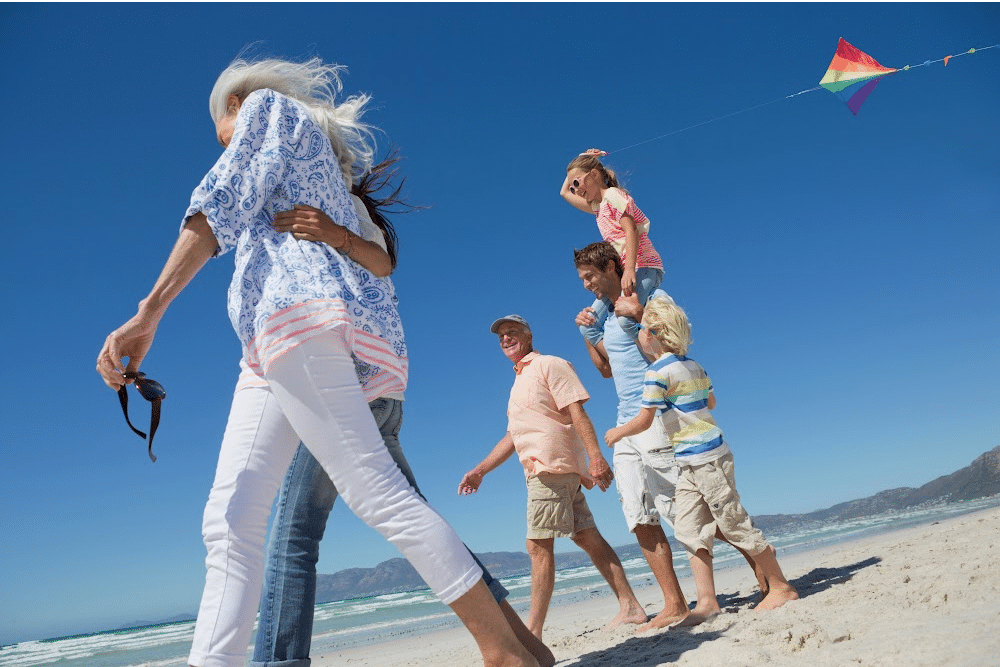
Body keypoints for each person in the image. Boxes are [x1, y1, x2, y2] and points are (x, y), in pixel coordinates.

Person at [96, 56, 536, 667]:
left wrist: (148, 312)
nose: (226, 144)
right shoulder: (318, 163)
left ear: (234, 103)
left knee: (376, 494)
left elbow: (225, 193)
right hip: (266, 344)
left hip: (295, 319)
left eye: (220, 134)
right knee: (230, 521)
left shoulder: (265, 109)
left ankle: (505, 654)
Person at [253, 158, 554, 667]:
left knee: (294, 532)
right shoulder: (343, 206)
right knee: (415, 517)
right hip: (380, 391)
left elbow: (380, 263)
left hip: (345, 387)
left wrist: (327, 232)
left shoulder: (330, 206)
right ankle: (522, 646)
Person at [573, 241, 767, 630]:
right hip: (624, 424)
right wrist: (587, 334)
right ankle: (674, 603)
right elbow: (606, 370)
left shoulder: (647, 296)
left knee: (695, 511)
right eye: (582, 279)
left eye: (590, 276)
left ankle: (767, 575)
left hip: (655, 418)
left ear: (612, 266)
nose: (587, 285)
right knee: (638, 515)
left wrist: (641, 313)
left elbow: (675, 337)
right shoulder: (608, 318)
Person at [605, 298, 799, 620]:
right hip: (690, 461)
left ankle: (781, 586)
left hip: (706, 459)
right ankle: (707, 602)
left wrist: (617, 433)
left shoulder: (655, 373)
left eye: (641, 329)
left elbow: (644, 420)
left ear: (652, 335)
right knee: (689, 528)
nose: (638, 334)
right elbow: (711, 400)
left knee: (734, 522)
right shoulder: (694, 366)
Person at [458, 315, 646, 640]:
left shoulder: (550, 364)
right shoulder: (519, 381)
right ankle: (630, 606)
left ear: (529, 335)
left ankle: (533, 633)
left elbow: (577, 412)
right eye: (501, 336)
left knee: (537, 545)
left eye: (512, 332)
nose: (506, 339)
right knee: (587, 538)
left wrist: (596, 456)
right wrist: (481, 470)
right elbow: (512, 438)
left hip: (550, 467)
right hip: (551, 470)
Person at [560, 149, 664, 345]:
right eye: (574, 186)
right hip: (625, 271)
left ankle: (659, 355)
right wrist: (586, 158)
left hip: (643, 266)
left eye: (577, 182)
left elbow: (630, 229)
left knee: (626, 319)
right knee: (588, 325)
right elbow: (563, 193)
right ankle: (625, 359)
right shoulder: (598, 207)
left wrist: (630, 270)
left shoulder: (612, 195)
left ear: (594, 176)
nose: (576, 190)